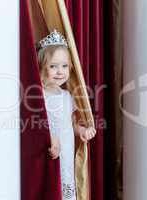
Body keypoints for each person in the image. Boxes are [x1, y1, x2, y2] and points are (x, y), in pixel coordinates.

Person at [37, 30, 96, 200]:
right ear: (41, 67)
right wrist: (51, 139)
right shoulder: (40, 96)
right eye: (53, 66)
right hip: (50, 150)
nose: (60, 71)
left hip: (67, 152)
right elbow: (38, 125)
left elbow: (70, 123)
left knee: (66, 186)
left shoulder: (67, 96)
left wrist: (82, 131)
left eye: (64, 66)